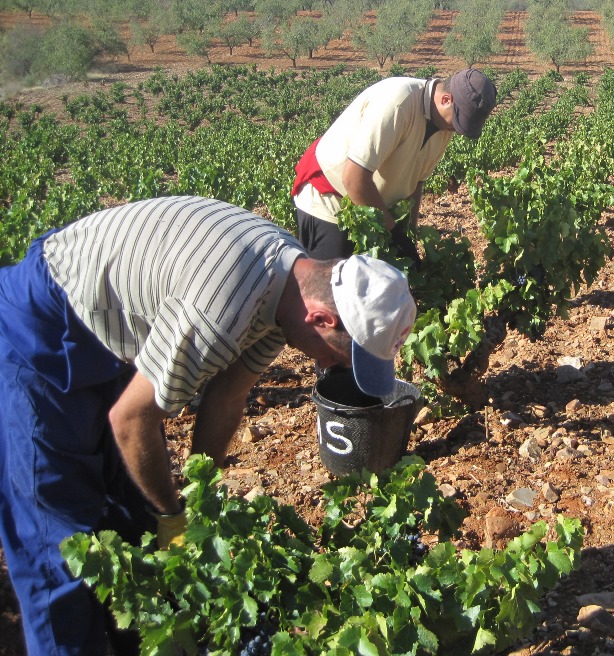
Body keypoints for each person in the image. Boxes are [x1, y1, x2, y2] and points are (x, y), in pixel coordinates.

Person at [0, 195, 416, 656]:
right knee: (59, 547)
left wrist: (201, 498)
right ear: (320, 318)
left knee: (130, 519)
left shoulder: (287, 291)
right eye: (337, 359)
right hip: (44, 328)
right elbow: (131, 419)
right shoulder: (221, 307)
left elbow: (226, 398)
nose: (326, 366)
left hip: (113, 332)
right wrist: (173, 516)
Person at [292, 68, 498, 261]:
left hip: (371, 213)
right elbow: (354, 179)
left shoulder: (446, 124)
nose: (455, 130)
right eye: (458, 123)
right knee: (331, 294)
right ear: (446, 100)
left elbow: (416, 183)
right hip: (330, 204)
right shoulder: (398, 102)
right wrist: (393, 235)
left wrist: (409, 236)